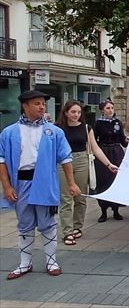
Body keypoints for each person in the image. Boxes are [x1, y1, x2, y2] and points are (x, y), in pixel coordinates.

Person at [0, 90, 81, 279]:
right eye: (37, 103)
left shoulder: (53, 131)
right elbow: (1, 160)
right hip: (21, 182)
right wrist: (6, 186)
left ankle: (51, 260)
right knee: (25, 223)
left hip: (45, 181)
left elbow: (66, 158)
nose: (42, 106)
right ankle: (25, 263)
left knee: (47, 223)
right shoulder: (9, 132)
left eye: (43, 103)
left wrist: (71, 183)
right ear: (25, 106)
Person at [55, 100, 118, 245]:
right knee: (65, 198)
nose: (76, 115)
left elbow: (95, 148)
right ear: (65, 112)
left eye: (78, 112)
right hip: (63, 162)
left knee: (80, 197)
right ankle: (67, 231)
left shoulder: (86, 128)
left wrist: (108, 164)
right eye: (73, 112)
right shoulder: (58, 128)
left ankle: (78, 227)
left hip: (82, 160)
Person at [93, 100, 128, 222]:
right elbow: (94, 141)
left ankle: (116, 209)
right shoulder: (98, 123)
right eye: (108, 108)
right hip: (104, 152)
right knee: (103, 181)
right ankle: (103, 211)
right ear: (102, 110)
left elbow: (122, 140)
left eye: (112, 108)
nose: (110, 110)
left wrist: (128, 141)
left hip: (117, 152)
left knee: (116, 180)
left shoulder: (117, 122)